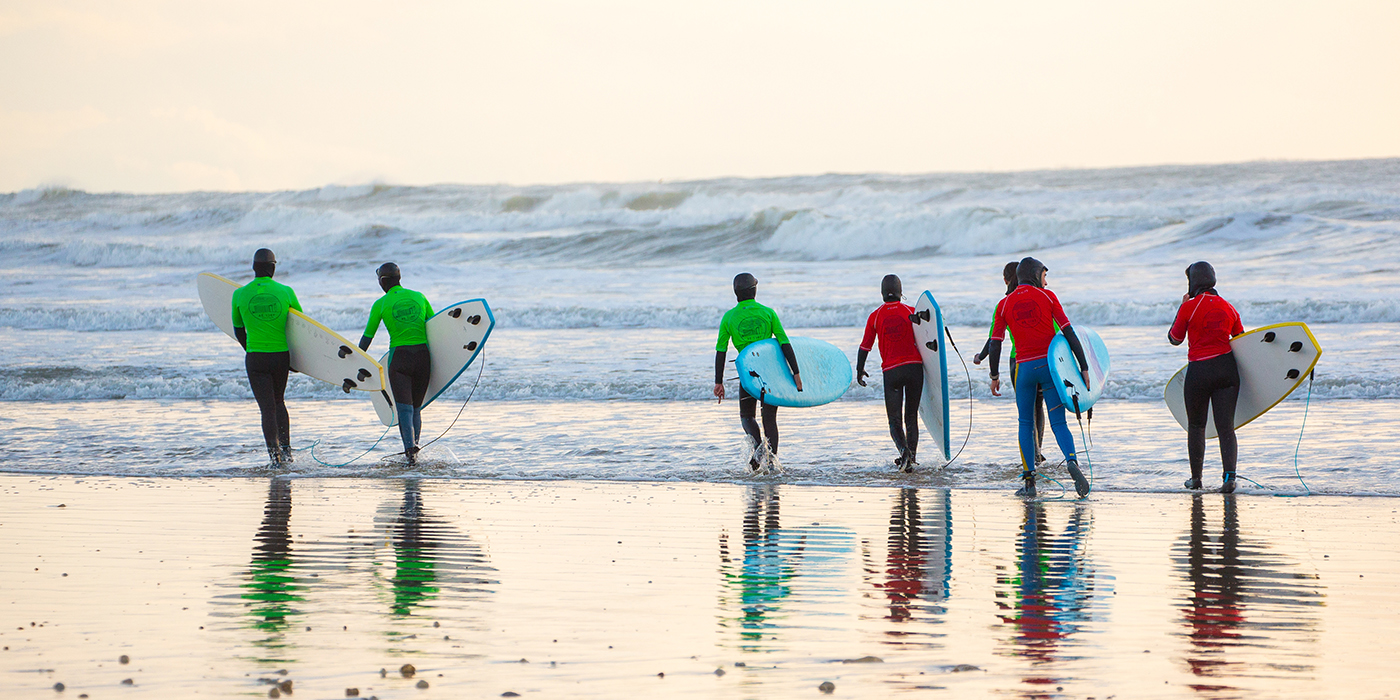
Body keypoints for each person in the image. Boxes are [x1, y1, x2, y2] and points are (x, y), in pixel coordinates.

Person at [986, 257, 1091, 498]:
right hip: (1049, 369)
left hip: (1023, 370)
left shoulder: (1004, 304)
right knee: (1058, 422)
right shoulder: (1048, 297)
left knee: (1025, 422)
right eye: (1044, 275)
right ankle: (1072, 461)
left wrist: (994, 375)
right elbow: (1068, 331)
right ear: (1034, 275)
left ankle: (1029, 482)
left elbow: (995, 343)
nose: (1046, 280)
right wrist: (1083, 366)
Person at [1168, 261, 1244, 493]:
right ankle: (1229, 478)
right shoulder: (1228, 306)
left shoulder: (1188, 307)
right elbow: (1240, 338)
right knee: (1226, 428)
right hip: (1226, 370)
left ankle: (1196, 479)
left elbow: (1174, 338)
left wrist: (1181, 308)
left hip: (1199, 372)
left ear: (1193, 282)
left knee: (1197, 425)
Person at [714, 273, 802, 471]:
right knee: (769, 418)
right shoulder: (768, 313)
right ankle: (770, 463)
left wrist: (718, 382)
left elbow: (721, 351)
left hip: (747, 374)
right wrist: (795, 372)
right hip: (770, 372)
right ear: (755, 290)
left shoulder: (729, 317)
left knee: (747, 417)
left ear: (736, 293)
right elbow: (784, 342)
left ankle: (758, 451)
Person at [231, 248, 302, 466]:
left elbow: (238, 330)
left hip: (256, 357)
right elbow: (301, 328)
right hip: (281, 356)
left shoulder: (239, 294)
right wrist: (298, 361)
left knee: (267, 408)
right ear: (273, 268)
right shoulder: (286, 292)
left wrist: (251, 349)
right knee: (279, 402)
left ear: (254, 268)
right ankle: (288, 453)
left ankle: (275, 458)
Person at [359, 262, 434, 465]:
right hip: (423, 358)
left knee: (404, 409)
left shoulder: (381, 304)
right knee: (416, 409)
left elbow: (367, 337)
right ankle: (415, 452)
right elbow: (436, 327)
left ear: (383, 282)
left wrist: (356, 361)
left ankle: (409, 452)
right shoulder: (419, 296)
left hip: (400, 359)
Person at [974, 261, 1046, 464]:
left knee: (1026, 411)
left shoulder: (1005, 303)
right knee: (1038, 406)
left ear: (1005, 280)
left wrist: (981, 357)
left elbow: (993, 340)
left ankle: (1032, 454)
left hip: (1019, 361)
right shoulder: (1039, 297)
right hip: (1043, 359)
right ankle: (1037, 450)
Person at [856, 274, 924, 472]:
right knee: (911, 416)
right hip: (914, 369)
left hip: (891, 372)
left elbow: (864, 347)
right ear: (901, 293)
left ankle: (904, 453)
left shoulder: (875, 316)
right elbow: (929, 338)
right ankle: (911, 458)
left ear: (882, 293)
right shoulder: (911, 312)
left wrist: (860, 370)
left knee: (894, 420)